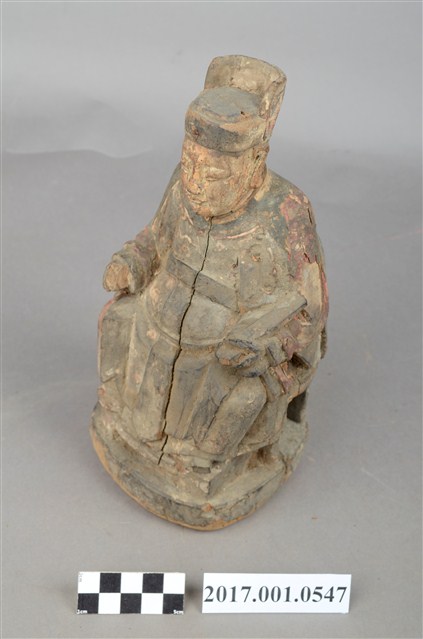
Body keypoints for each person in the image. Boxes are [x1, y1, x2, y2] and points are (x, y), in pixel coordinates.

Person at [91, 55, 328, 529]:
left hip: (224, 351)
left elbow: (308, 311)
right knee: (116, 319)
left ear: (254, 164)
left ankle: (203, 466)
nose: (196, 184)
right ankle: (124, 418)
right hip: (157, 320)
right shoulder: (182, 187)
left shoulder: (284, 213)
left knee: (240, 393)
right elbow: (154, 239)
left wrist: (263, 346)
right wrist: (129, 263)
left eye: (215, 176)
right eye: (189, 165)